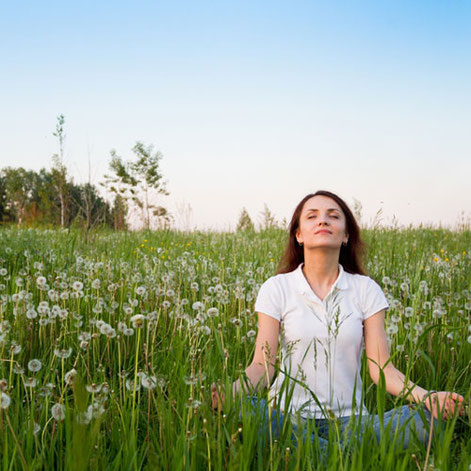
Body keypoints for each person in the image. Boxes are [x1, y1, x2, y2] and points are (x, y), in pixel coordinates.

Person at [211, 190, 465, 450]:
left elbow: (382, 370)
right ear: (298, 235)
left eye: (333, 216)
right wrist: (231, 394)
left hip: (352, 422)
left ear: (345, 235)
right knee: (244, 411)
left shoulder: (365, 289)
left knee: (426, 420)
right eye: (312, 216)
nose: (323, 221)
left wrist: (428, 397)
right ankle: (343, 455)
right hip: (287, 418)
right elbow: (263, 366)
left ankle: (313, 454)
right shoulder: (277, 288)